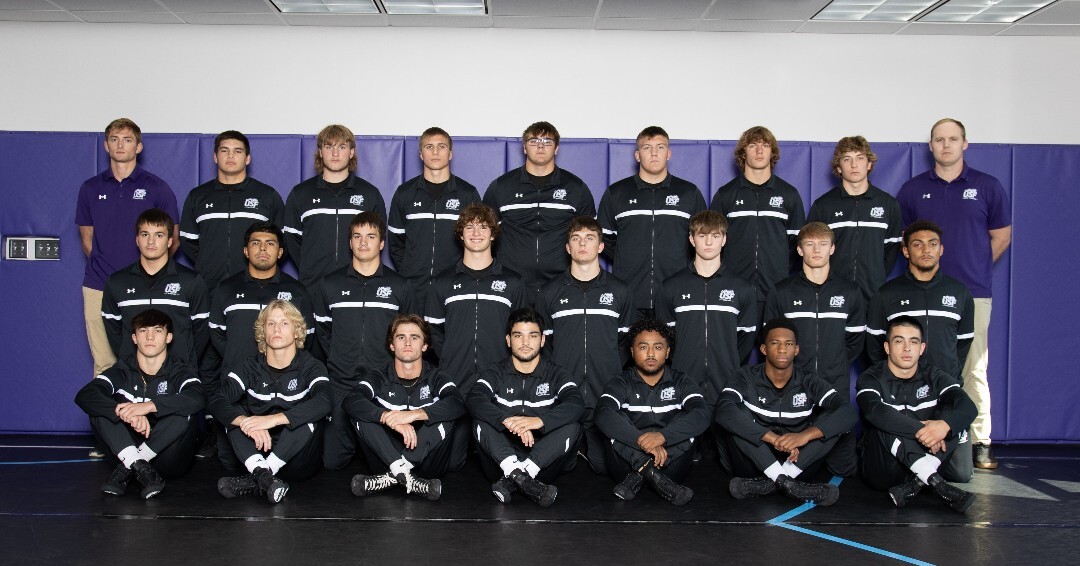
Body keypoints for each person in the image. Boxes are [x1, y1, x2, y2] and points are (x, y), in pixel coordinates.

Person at [896, 118, 1012, 470]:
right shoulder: (913, 190)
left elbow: (1001, 236)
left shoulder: (987, 186)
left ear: (965, 144)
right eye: (939, 139)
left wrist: (972, 271)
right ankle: (919, 434)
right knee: (919, 363)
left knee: (973, 366)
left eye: (953, 139)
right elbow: (906, 241)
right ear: (930, 146)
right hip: (922, 292)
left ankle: (979, 441)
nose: (946, 145)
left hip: (972, 293)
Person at [866, 220, 975, 481]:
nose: (925, 250)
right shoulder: (887, 294)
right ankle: (920, 466)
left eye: (932, 244)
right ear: (905, 251)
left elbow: (962, 344)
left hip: (941, 395)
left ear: (941, 250)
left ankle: (926, 464)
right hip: (901, 398)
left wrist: (945, 378)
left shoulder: (958, 293)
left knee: (961, 474)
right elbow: (874, 347)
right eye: (917, 244)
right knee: (890, 473)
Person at [311, 212, 418, 469]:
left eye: (371, 236)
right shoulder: (330, 284)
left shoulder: (400, 286)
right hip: (342, 383)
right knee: (332, 463)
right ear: (349, 242)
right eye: (357, 236)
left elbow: (409, 336)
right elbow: (324, 333)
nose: (363, 243)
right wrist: (341, 359)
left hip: (384, 385)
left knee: (387, 463)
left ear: (382, 243)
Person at [76, 118, 179, 379]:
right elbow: (87, 239)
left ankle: (150, 417)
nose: (121, 145)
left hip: (146, 285)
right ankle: (107, 420)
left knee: (149, 359)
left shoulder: (157, 188)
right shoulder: (90, 188)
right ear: (106, 146)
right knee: (104, 363)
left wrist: (148, 273)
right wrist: (112, 275)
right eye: (114, 139)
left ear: (139, 147)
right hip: (99, 284)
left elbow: (173, 239)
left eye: (128, 140)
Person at [715, 318, 856, 506]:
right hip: (753, 464)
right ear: (764, 349)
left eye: (789, 344)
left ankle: (773, 483)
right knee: (735, 414)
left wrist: (804, 436)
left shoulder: (809, 380)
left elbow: (848, 412)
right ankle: (789, 485)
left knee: (834, 421)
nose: (782, 349)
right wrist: (772, 438)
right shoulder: (745, 376)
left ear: (796, 350)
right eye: (775, 343)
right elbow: (723, 411)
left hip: (798, 463)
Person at [204, 222, 315, 461]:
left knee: (291, 463)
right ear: (245, 251)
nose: (262, 249)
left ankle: (267, 473)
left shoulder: (296, 291)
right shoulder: (226, 289)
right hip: (238, 391)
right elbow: (217, 335)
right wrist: (240, 359)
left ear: (280, 252)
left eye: (270, 243)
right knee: (231, 463)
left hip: (283, 395)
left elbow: (307, 337)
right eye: (256, 243)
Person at [764, 222, 865, 476]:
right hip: (795, 384)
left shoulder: (850, 292)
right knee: (792, 456)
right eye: (809, 244)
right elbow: (772, 341)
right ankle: (789, 473)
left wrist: (835, 362)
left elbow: (854, 341)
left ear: (832, 248)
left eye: (822, 244)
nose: (816, 250)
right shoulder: (782, 291)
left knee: (844, 469)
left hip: (835, 382)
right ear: (799, 250)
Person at [536, 216, 635, 474]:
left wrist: (611, 367)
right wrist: (558, 373)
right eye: (576, 238)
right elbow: (543, 343)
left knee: (604, 468)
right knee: (558, 467)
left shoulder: (619, 290)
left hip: (604, 389)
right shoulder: (550, 292)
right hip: (564, 394)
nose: (583, 244)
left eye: (590, 238)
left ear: (601, 246)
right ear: (567, 247)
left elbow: (627, 340)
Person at [75, 309, 204, 500]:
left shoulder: (180, 370)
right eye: (143, 331)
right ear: (134, 338)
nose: (150, 337)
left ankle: (133, 464)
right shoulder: (123, 370)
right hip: (126, 451)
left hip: (167, 459)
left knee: (185, 409)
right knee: (101, 408)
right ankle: (139, 466)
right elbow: (85, 395)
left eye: (158, 331)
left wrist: (148, 406)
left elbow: (198, 397)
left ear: (169, 337)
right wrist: (125, 412)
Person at [211, 300, 332, 504]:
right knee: (234, 413)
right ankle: (264, 477)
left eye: (284, 323)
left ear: (296, 331)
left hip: (297, 462)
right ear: (262, 333)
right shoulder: (250, 366)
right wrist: (243, 421)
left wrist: (274, 420)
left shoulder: (311, 366)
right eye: (270, 324)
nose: (277, 329)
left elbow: (325, 400)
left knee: (309, 412)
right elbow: (216, 399)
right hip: (258, 451)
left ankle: (260, 476)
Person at [857, 316, 978, 513]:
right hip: (885, 470)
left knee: (954, 414)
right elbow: (874, 411)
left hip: (926, 458)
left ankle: (918, 482)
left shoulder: (934, 375)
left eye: (913, 342)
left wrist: (944, 426)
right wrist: (929, 430)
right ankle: (937, 484)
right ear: (887, 347)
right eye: (899, 341)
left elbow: (968, 407)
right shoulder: (871, 377)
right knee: (887, 416)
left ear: (921, 348)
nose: (907, 348)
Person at [466, 308, 584, 507]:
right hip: (501, 461)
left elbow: (576, 403)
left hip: (541, 463)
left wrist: (539, 421)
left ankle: (520, 476)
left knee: (573, 425)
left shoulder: (555, 373)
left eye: (533, 335)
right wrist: (506, 421)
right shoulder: (496, 372)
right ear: (508, 340)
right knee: (480, 420)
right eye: (518, 335)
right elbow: (474, 398)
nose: (526, 342)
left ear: (542, 340)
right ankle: (521, 477)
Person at [344, 315, 466, 501]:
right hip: (385, 459)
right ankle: (405, 476)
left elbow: (457, 403)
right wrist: (386, 417)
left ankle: (392, 477)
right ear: (391, 345)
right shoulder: (379, 376)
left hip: (427, 464)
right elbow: (351, 400)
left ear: (425, 345)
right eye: (401, 337)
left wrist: (414, 415)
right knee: (362, 413)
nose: (407, 342)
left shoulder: (436, 376)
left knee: (444, 413)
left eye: (414, 337)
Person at [595, 318, 709, 505]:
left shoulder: (682, 381)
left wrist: (663, 436)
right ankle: (649, 471)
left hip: (670, 468)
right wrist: (643, 442)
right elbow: (603, 414)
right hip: (626, 467)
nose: (650, 354)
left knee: (687, 417)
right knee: (615, 418)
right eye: (643, 347)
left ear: (668, 352)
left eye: (657, 347)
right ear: (632, 351)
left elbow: (702, 415)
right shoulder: (620, 382)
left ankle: (643, 475)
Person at [597, 126, 706, 317]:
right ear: (638, 155)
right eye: (647, 148)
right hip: (630, 294)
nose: (654, 153)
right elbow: (604, 238)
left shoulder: (689, 193)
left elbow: (703, 239)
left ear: (669, 153)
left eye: (660, 147)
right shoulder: (617, 193)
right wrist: (629, 259)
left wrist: (679, 262)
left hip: (677, 295)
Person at [482, 121, 595, 300]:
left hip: (562, 283)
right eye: (534, 141)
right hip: (512, 282)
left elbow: (590, 237)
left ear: (556, 148)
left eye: (547, 141)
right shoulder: (501, 187)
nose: (541, 146)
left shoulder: (576, 188)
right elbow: (484, 235)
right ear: (524, 148)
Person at [655, 211, 757, 406]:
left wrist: (727, 362)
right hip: (683, 383)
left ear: (724, 239)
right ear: (692, 239)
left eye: (715, 236)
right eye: (702, 236)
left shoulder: (742, 288)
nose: (709, 242)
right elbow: (664, 337)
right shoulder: (671, 287)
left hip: (726, 383)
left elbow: (746, 338)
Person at [425, 204, 526, 390]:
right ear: (461, 235)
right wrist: (450, 357)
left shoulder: (513, 282)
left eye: (483, 227)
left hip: (501, 380)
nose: (476, 233)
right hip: (453, 379)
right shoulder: (442, 281)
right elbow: (432, 330)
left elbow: (522, 331)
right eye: (469, 227)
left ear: (493, 234)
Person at [710, 126, 804, 309]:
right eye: (753, 145)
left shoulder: (789, 194)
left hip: (776, 288)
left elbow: (798, 243)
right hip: (734, 288)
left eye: (765, 145)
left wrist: (778, 268)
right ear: (743, 153)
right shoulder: (726, 195)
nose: (759, 151)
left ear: (772, 152)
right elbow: (711, 243)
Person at [387, 127, 482, 308]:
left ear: (450, 153)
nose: (436, 152)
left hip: (455, 285)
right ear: (421, 154)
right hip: (414, 286)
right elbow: (395, 242)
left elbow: (477, 241)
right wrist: (411, 270)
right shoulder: (405, 193)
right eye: (429, 147)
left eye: (441, 146)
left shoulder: (467, 194)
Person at [101, 208, 209, 366]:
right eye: (145, 234)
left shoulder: (192, 281)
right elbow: (115, 333)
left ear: (170, 241)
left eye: (159, 235)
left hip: (179, 376)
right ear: (137, 240)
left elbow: (201, 332)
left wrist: (183, 361)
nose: (151, 241)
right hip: (132, 378)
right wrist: (133, 362)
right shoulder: (117, 282)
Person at [283, 124, 387, 287]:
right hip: (313, 286)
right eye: (329, 146)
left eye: (342, 147)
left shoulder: (369, 194)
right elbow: (291, 240)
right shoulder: (301, 194)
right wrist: (310, 268)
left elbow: (378, 238)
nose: (335, 153)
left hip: (358, 286)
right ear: (320, 152)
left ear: (351, 152)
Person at [179, 130, 285, 290]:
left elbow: (282, 241)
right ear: (215, 157)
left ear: (247, 158)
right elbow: (188, 241)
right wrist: (209, 262)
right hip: (209, 286)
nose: (230, 156)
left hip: (254, 285)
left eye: (237, 151)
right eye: (224, 150)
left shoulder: (267, 195)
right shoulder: (198, 196)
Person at [806, 136, 903, 301]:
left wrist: (874, 276)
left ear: (869, 164)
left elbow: (891, 250)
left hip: (874, 293)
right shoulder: (823, 205)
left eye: (860, 158)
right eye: (847, 159)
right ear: (838, 167)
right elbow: (812, 249)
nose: (854, 165)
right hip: (832, 293)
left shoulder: (888, 204)